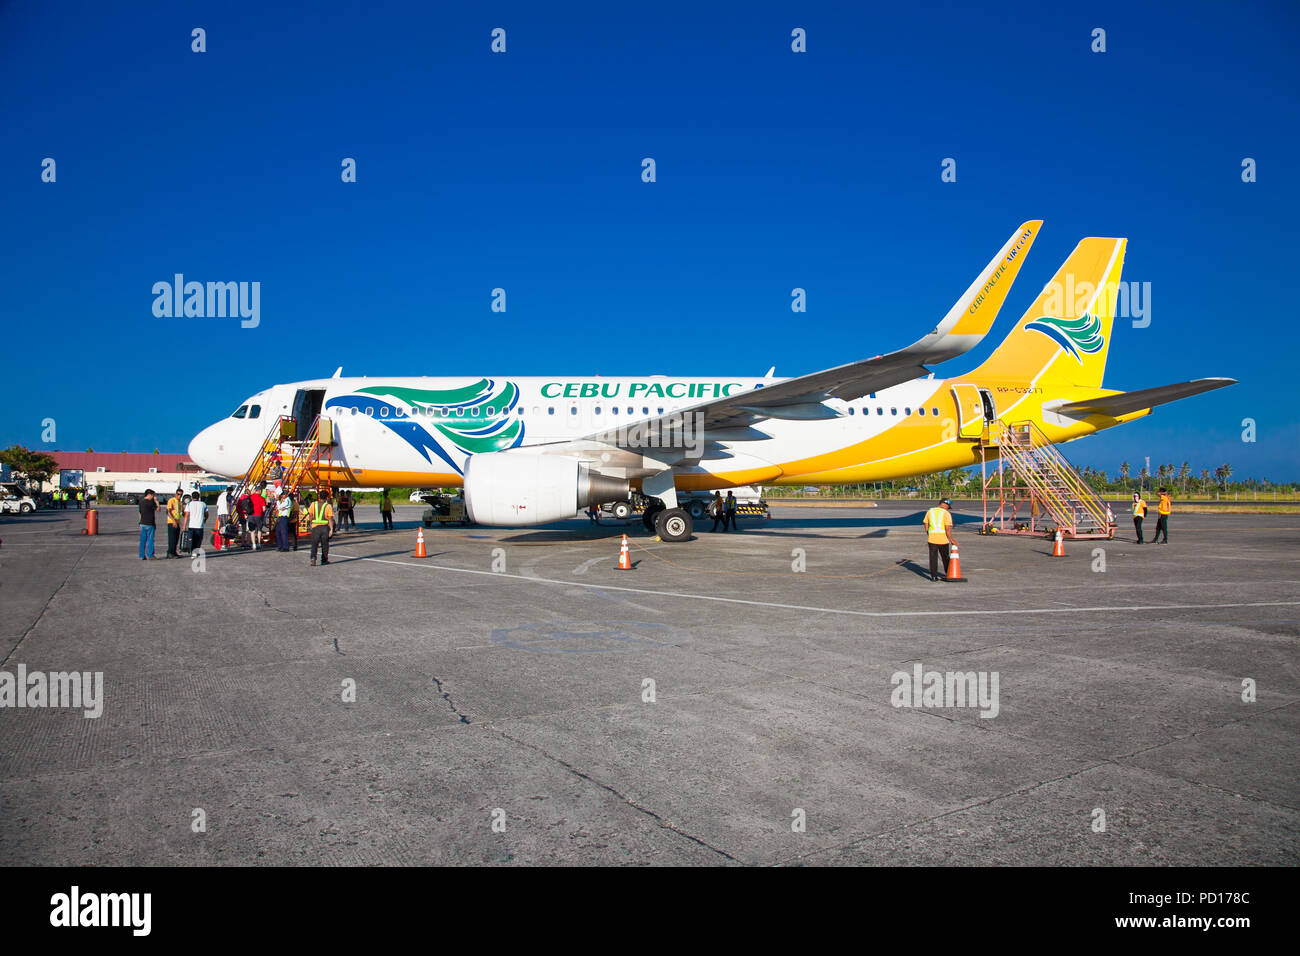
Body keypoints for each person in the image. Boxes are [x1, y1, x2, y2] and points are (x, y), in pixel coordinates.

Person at [923, 498, 956, 582]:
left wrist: (928, 533)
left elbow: (926, 523)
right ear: (945, 505)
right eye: (948, 507)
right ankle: (948, 573)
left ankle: (933, 577)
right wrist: (951, 539)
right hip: (943, 539)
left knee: (933, 558)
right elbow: (947, 528)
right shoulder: (946, 513)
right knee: (945, 557)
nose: (948, 508)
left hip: (932, 539)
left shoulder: (930, 511)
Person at [308, 492, 334, 566]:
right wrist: (331, 529)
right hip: (324, 527)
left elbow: (310, 514)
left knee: (314, 544)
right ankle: (324, 560)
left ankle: (313, 559)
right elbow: (330, 518)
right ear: (327, 498)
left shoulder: (313, 504)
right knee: (325, 545)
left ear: (319, 496)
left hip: (315, 527)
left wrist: (310, 523)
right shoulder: (328, 506)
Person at [138, 489, 158, 560]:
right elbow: (158, 509)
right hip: (150, 523)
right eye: (152, 495)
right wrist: (156, 502)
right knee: (150, 540)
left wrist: (140, 521)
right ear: (149, 495)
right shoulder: (151, 502)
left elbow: (139, 512)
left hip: (142, 523)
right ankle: (150, 555)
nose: (153, 497)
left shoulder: (141, 502)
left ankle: (141, 555)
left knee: (142, 540)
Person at [165, 488, 184, 558]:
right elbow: (168, 511)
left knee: (176, 538)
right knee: (172, 538)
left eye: (181, 495)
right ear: (175, 494)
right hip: (172, 522)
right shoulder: (171, 500)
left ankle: (174, 552)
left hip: (177, 522)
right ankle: (170, 553)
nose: (179, 496)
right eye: (178, 494)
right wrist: (173, 521)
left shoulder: (179, 502)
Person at [248, 485, 267, 550]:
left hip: (251, 515)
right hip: (259, 515)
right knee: (259, 530)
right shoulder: (262, 498)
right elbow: (264, 509)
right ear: (259, 491)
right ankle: (259, 543)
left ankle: (254, 544)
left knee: (252, 530)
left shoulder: (250, 497)